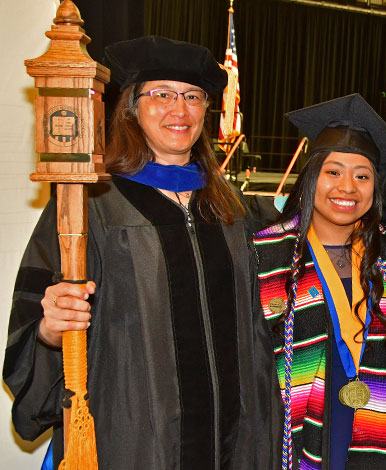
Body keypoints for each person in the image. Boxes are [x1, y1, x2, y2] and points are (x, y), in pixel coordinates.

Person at [3, 36, 274, 469]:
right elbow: (39, 315)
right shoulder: (89, 205)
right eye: (161, 94)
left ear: (207, 109)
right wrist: (50, 332)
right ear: (131, 106)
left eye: (192, 96)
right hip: (131, 439)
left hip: (233, 440)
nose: (179, 109)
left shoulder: (232, 209)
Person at [253, 94, 386, 470]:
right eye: (333, 172)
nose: (347, 187)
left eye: (362, 176)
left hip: (376, 420)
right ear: (312, 176)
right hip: (295, 424)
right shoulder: (265, 255)